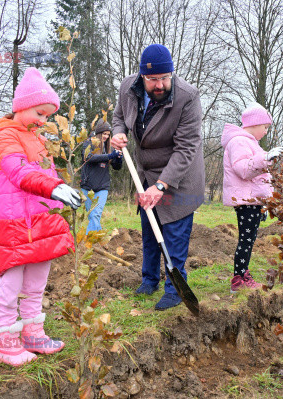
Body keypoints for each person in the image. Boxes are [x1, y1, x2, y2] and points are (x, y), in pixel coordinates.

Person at [0, 68, 81, 367]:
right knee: (12, 279)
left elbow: (44, 173)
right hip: (17, 222)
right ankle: (6, 342)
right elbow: (19, 172)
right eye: (40, 112)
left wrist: (58, 187)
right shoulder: (5, 135)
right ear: (22, 106)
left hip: (40, 220)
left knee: (38, 279)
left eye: (48, 115)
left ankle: (33, 333)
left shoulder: (34, 137)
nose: (44, 121)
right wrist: (55, 187)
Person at [111, 44, 205, 311]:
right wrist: (119, 133)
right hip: (145, 173)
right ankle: (149, 279)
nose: (161, 84)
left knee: (174, 233)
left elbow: (187, 147)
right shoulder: (128, 89)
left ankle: (175, 290)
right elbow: (119, 117)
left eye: (165, 77)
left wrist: (162, 185)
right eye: (153, 80)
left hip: (179, 176)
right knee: (150, 230)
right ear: (142, 77)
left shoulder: (188, 97)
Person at [222, 103, 283, 293]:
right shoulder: (239, 142)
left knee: (249, 239)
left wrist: (265, 204)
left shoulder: (251, 143)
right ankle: (238, 279)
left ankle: (243, 274)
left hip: (253, 200)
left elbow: (260, 177)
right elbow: (243, 169)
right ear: (255, 123)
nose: (266, 132)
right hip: (246, 201)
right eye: (265, 127)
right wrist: (266, 157)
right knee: (246, 239)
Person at [80, 120, 123, 233]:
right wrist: (109, 156)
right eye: (104, 134)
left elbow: (116, 167)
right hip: (87, 186)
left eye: (108, 135)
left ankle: (90, 241)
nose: (106, 137)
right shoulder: (88, 143)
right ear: (98, 133)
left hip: (102, 186)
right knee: (93, 216)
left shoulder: (109, 147)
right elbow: (88, 158)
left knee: (95, 214)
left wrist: (118, 159)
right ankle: (98, 240)